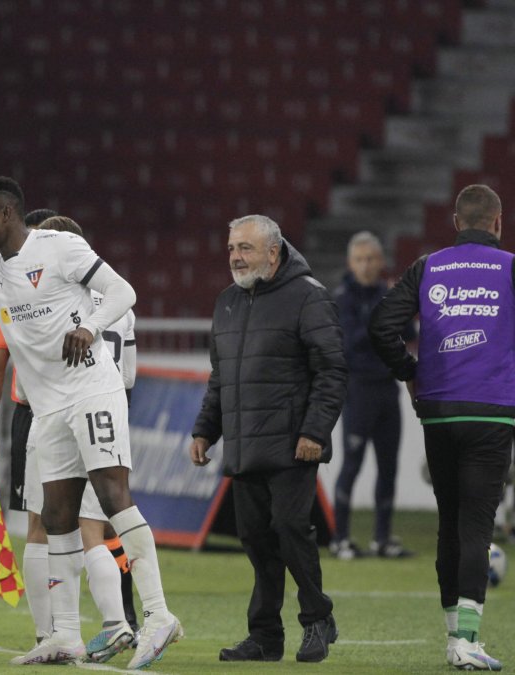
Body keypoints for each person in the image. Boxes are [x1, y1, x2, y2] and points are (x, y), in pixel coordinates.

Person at [0, 177, 182, 669]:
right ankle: (67, 635)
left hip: (93, 391)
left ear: (6, 214)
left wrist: (88, 327)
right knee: (56, 517)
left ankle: (158, 616)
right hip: (48, 408)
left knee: (114, 497)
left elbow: (123, 291)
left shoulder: (61, 247)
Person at [0, 213, 140, 664]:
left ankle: (50, 630)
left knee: (42, 526)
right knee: (98, 525)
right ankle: (123, 620)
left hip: (45, 412)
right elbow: (128, 375)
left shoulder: (25, 296)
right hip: (107, 404)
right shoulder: (112, 307)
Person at [189, 215, 345, 664]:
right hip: (244, 444)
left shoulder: (308, 297)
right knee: (255, 539)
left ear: (273, 253)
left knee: (290, 530)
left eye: (247, 248)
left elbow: (332, 370)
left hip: (293, 443)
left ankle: (318, 619)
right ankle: (265, 637)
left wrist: (315, 431)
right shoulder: (227, 302)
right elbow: (222, 379)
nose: (236, 256)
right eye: (232, 247)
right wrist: (205, 429)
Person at [369, 184, 512, 671]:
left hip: (438, 410)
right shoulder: (511, 269)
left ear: (456, 222)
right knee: (477, 524)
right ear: (497, 223)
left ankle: (455, 637)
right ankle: (468, 641)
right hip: (491, 411)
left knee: (449, 523)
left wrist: (410, 375)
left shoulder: (429, 267)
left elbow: (380, 325)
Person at [330, 231, 413, 560]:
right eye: (359, 259)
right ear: (351, 263)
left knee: (388, 466)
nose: (365, 265)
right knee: (351, 465)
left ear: (381, 262)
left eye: (371, 259)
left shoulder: (387, 294)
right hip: (358, 390)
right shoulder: (341, 298)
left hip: (387, 390)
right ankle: (340, 538)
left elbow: (409, 331)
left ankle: (382, 538)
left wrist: (387, 319)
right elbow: (351, 342)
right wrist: (385, 320)